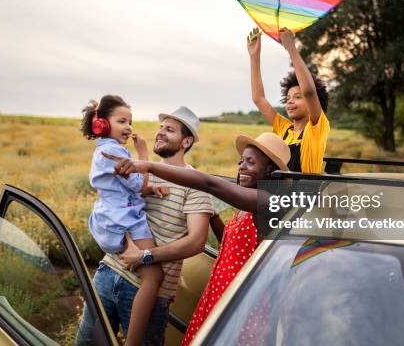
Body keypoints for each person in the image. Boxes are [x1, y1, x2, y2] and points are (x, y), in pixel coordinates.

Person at [106, 132, 290, 346]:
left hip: (243, 303)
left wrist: (149, 166)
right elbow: (231, 247)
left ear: (270, 170)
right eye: (241, 161)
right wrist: (212, 216)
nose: (241, 167)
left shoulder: (270, 202)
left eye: (251, 162)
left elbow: (210, 184)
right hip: (221, 293)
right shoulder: (246, 207)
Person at [76, 106, 216, 346]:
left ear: (186, 141)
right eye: (160, 127)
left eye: (169, 130)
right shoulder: (139, 169)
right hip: (109, 272)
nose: (160, 133)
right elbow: (111, 201)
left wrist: (145, 256)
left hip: (150, 292)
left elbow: (196, 242)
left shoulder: (195, 184)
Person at [79, 94, 165, 346]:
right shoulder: (116, 153)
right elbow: (138, 184)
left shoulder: (103, 150)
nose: (128, 127)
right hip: (125, 221)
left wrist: (150, 190)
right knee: (155, 276)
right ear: (102, 124)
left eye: (130, 121)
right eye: (121, 121)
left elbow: (125, 187)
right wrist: (143, 153)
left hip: (108, 218)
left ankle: (127, 252)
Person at [248, 27, 330, 173]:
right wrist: (254, 56)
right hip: (279, 192)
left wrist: (291, 47)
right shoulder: (283, 128)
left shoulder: (317, 127)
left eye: (298, 97)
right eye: (288, 98)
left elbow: (309, 92)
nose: (290, 101)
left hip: (304, 194)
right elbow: (259, 99)